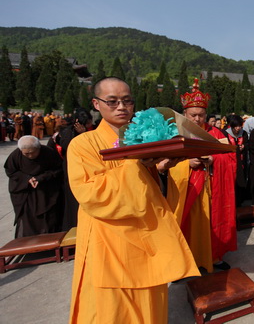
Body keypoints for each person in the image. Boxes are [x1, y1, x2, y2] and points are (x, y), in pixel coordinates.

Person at [66, 77, 199, 323]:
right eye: (112, 101)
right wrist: (137, 164)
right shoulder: (82, 144)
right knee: (114, 310)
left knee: (150, 302)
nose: (121, 107)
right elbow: (91, 193)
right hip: (110, 241)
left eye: (127, 101)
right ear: (96, 104)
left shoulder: (144, 139)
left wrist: (160, 169)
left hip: (147, 236)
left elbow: (150, 189)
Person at [171, 78, 237, 273]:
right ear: (185, 114)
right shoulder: (176, 134)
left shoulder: (217, 134)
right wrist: (186, 163)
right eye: (193, 115)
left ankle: (213, 257)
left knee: (212, 224)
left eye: (201, 115)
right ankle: (185, 261)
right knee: (189, 226)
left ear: (206, 114)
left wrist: (213, 160)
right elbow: (164, 163)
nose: (197, 119)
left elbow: (231, 160)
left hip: (212, 189)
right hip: (188, 189)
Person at [4, 135, 63, 237]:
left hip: (46, 190)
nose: (30, 156)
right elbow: (11, 171)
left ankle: (49, 240)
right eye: (26, 153)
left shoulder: (48, 153)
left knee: (49, 217)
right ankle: (29, 242)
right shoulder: (15, 156)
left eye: (33, 152)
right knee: (27, 218)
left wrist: (41, 178)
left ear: (38, 147)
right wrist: (27, 179)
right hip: (26, 193)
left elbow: (58, 169)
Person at [226, 115, 249, 206]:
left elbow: (247, 144)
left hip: (241, 162)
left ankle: (239, 201)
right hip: (230, 163)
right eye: (236, 126)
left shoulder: (244, 134)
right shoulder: (225, 133)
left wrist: (244, 146)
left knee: (240, 180)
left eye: (239, 126)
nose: (238, 128)